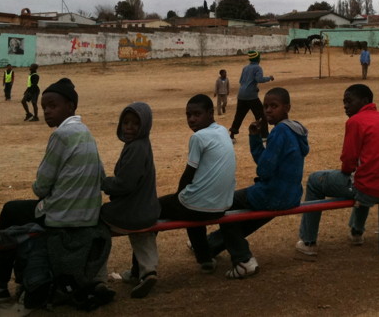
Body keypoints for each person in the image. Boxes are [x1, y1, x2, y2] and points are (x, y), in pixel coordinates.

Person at [0, 78, 112, 304]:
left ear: (70, 106)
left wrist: (48, 191)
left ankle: (1, 283)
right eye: (45, 106)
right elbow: (102, 175)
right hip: (88, 214)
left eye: (52, 106)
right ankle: (18, 280)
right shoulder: (85, 132)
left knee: (10, 211)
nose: (47, 111)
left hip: (63, 216)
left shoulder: (61, 135)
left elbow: (41, 187)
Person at [207, 87, 309, 278]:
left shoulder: (279, 132)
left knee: (226, 205)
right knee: (245, 216)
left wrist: (254, 140)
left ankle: (243, 259)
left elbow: (264, 169)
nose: (268, 110)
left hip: (273, 194)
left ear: (287, 107)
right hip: (291, 195)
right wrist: (256, 137)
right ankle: (209, 245)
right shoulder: (296, 130)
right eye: (266, 106)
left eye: (274, 106)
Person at [296, 84, 379, 255]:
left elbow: (348, 161)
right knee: (364, 174)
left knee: (314, 181)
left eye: (349, 101)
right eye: (344, 102)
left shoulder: (355, 121)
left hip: (368, 189)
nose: (345, 106)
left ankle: (308, 241)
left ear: (365, 101)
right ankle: (356, 232)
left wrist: (347, 172)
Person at [157, 94, 236, 273]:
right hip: (223, 205)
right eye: (188, 115)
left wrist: (178, 196)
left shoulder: (199, 137)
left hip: (199, 207)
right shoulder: (223, 131)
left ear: (210, 113)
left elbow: (188, 174)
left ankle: (142, 271)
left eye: (196, 114)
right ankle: (205, 259)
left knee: (153, 209)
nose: (191, 119)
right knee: (193, 204)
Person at [100, 102, 160, 298]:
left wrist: (104, 183)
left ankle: (96, 277)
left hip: (132, 211)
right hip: (148, 210)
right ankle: (148, 271)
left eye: (135, 123)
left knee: (96, 222)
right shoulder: (143, 144)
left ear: (145, 125)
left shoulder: (135, 148)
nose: (129, 127)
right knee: (142, 233)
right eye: (125, 122)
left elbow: (125, 184)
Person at [229, 50, 274, 142]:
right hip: (251, 96)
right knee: (261, 115)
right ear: (258, 59)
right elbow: (259, 79)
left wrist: (253, 87)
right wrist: (269, 78)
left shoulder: (245, 68)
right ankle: (264, 136)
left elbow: (241, 81)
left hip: (241, 95)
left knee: (239, 116)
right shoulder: (258, 68)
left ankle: (232, 136)